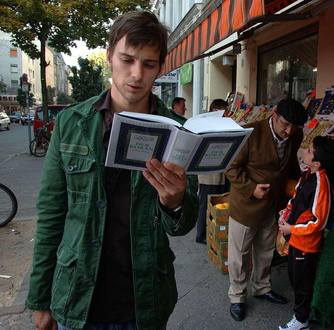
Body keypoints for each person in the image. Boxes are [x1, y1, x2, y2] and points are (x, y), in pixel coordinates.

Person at [25, 11, 199, 330]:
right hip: (75, 296)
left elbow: (183, 226)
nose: (136, 74)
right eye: (127, 59)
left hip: (143, 301)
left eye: (148, 64)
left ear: (161, 67)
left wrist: (174, 202)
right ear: (108, 56)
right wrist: (40, 299)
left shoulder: (179, 132)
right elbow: (51, 216)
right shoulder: (70, 125)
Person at [225, 98, 307, 322]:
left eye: (294, 127)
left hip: (274, 203)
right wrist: (251, 188)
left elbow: (289, 164)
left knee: (265, 249)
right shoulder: (249, 133)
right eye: (285, 124)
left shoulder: (295, 135)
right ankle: (237, 296)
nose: (289, 131)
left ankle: (261, 287)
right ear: (274, 116)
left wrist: (300, 185)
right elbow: (230, 166)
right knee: (239, 254)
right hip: (247, 204)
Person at [277, 136, 334, 330]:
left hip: (306, 244)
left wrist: (291, 229)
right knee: (295, 277)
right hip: (295, 239)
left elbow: (318, 222)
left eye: (309, 151)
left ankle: (301, 320)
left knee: (302, 282)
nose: (305, 152)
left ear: (317, 163)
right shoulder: (306, 174)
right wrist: (286, 212)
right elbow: (295, 199)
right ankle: (304, 312)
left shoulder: (322, 185)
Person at [195, 99, 230, 244]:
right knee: (206, 203)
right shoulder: (206, 124)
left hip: (218, 172)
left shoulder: (219, 124)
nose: (226, 115)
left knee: (215, 203)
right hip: (208, 174)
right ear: (215, 111)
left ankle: (211, 231)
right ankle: (201, 234)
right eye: (223, 112)